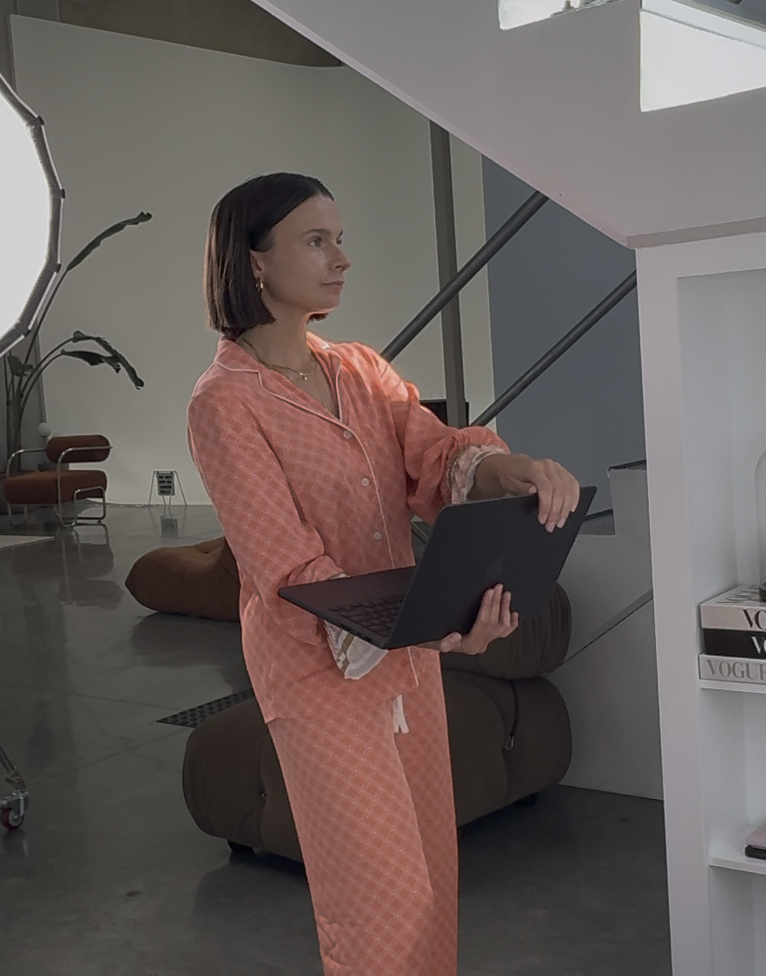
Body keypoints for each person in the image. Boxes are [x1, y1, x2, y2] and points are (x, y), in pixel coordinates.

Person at [186, 173, 580, 976]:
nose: (343, 258)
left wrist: (515, 470)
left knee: (433, 883)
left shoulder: (360, 370)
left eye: (340, 237)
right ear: (253, 262)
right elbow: (285, 563)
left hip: (404, 663)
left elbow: (436, 458)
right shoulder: (224, 402)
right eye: (317, 240)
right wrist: (437, 619)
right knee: (379, 904)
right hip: (316, 673)